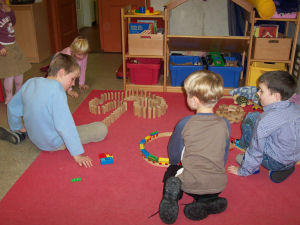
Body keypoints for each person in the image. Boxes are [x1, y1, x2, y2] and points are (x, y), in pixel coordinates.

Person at [0, 53, 108, 168]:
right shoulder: (57, 91)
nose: (72, 83)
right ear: (61, 73)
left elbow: (12, 106)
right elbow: (65, 125)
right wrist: (77, 154)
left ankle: (20, 134)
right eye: (72, 79)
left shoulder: (31, 82)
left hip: (33, 136)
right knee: (101, 129)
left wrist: (16, 127)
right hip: (51, 143)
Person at [159, 70, 231, 224]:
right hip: (218, 183)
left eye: (187, 94)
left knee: (172, 171)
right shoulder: (225, 123)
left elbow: (175, 151)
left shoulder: (185, 123)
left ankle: (173, 196)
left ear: (195, 100)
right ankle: (209, 201)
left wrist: (173, 163)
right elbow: (224, 153)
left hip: (189, 182)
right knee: (207, 180)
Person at [228, 71, 300, 183]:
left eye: (261, 91)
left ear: (276, 96)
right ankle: (285, 167)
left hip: (275, 161)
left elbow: (255, 149)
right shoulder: (297, 108)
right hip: (294, 158)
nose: (257, 94)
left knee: (250, 119)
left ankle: (253, 166)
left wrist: (243, 170)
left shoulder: (265, 120)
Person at [0, 0, 31, 104]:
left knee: (19, 70)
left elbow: (13, 22)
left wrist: (9, 11)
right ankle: (9, 97)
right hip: (4, 47)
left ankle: (18, 93)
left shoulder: (4, 9)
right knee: (10, 73)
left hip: (13, 45)